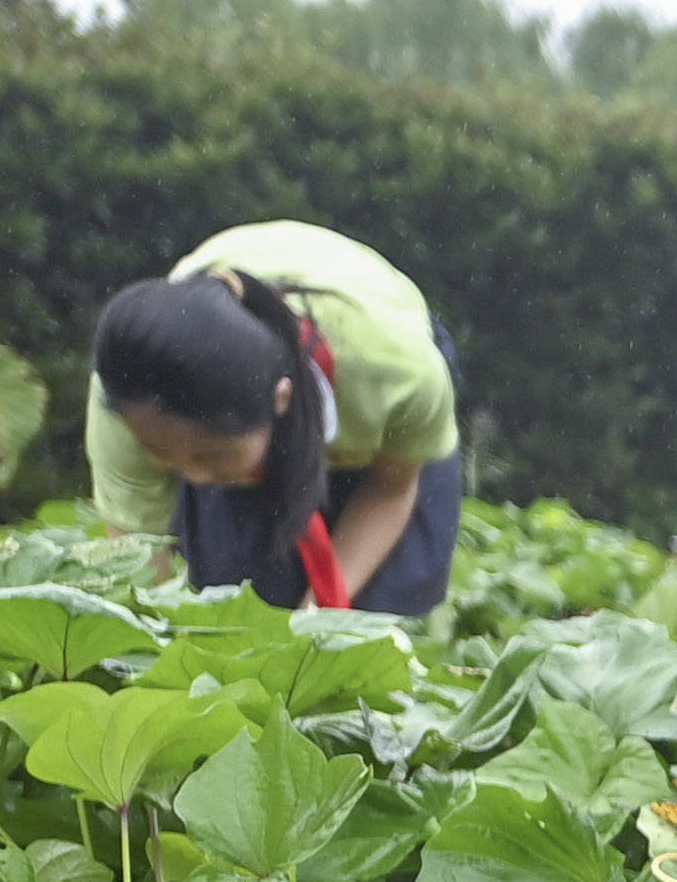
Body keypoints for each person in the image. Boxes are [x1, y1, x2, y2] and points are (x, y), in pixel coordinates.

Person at [84, 220, 466, 617]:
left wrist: (318, 618)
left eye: (209, 457)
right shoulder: (131, 390)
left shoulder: (395, 373)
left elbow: (391, 490)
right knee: (243, 599)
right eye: (163, 454)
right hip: (213, 387)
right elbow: (141, 566)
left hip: (365, 380)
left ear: (280, 399)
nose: (193, 477)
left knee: (388, 603)